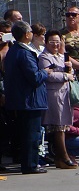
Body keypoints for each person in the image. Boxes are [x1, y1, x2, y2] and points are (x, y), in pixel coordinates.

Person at [5, 21, 49, 174]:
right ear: (26, 34)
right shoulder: (24, 53)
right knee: (32, 134)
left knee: (26, 133)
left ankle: (29, 162)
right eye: (30, 31)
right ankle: (30, 164)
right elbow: (35, 77)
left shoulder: (14, 50)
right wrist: (45, 72)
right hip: (29, 101)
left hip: (22, 99)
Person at [40, 30, 78, 169]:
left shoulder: (62, 56)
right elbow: (48, 75)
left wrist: (70, 70)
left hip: (65, 93)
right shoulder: (45, 56)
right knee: (58, 126)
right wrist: (65, 76)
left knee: (63, 126)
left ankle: (60, 156)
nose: (55, 45)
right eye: (52, 42)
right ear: (46, 42)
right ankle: (63, 155)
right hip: (54, 94)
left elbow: (70, 74)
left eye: (57, 41)